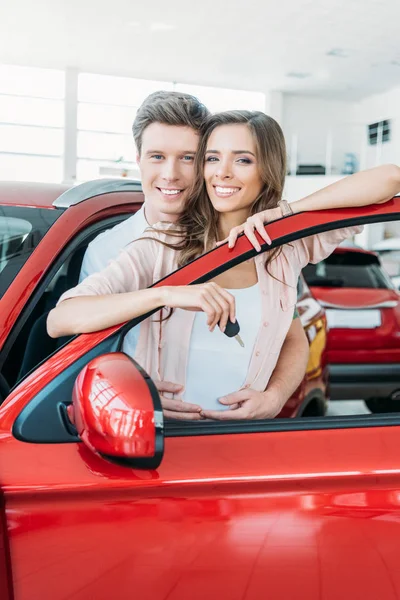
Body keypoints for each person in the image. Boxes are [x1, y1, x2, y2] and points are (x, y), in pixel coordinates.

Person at [47, 111, 400, 420]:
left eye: (243, 160)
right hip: (166, 438)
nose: (223, 173)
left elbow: (390, 178)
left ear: (268, 169)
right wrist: (164, 294)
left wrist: (274, 397)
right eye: (212, 158)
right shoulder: (162, 244)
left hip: (241, 438)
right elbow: (61, 320)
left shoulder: (285, 248)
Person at [75, 93, 309, 420]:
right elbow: (84, 349)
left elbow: (292, 336)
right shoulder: (108, 248)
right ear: (138, 159)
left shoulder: (264, 242)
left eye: (187, 158)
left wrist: (275, 397)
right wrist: (134, 391)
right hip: (150, 425)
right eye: (157, 156)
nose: (171, 174)